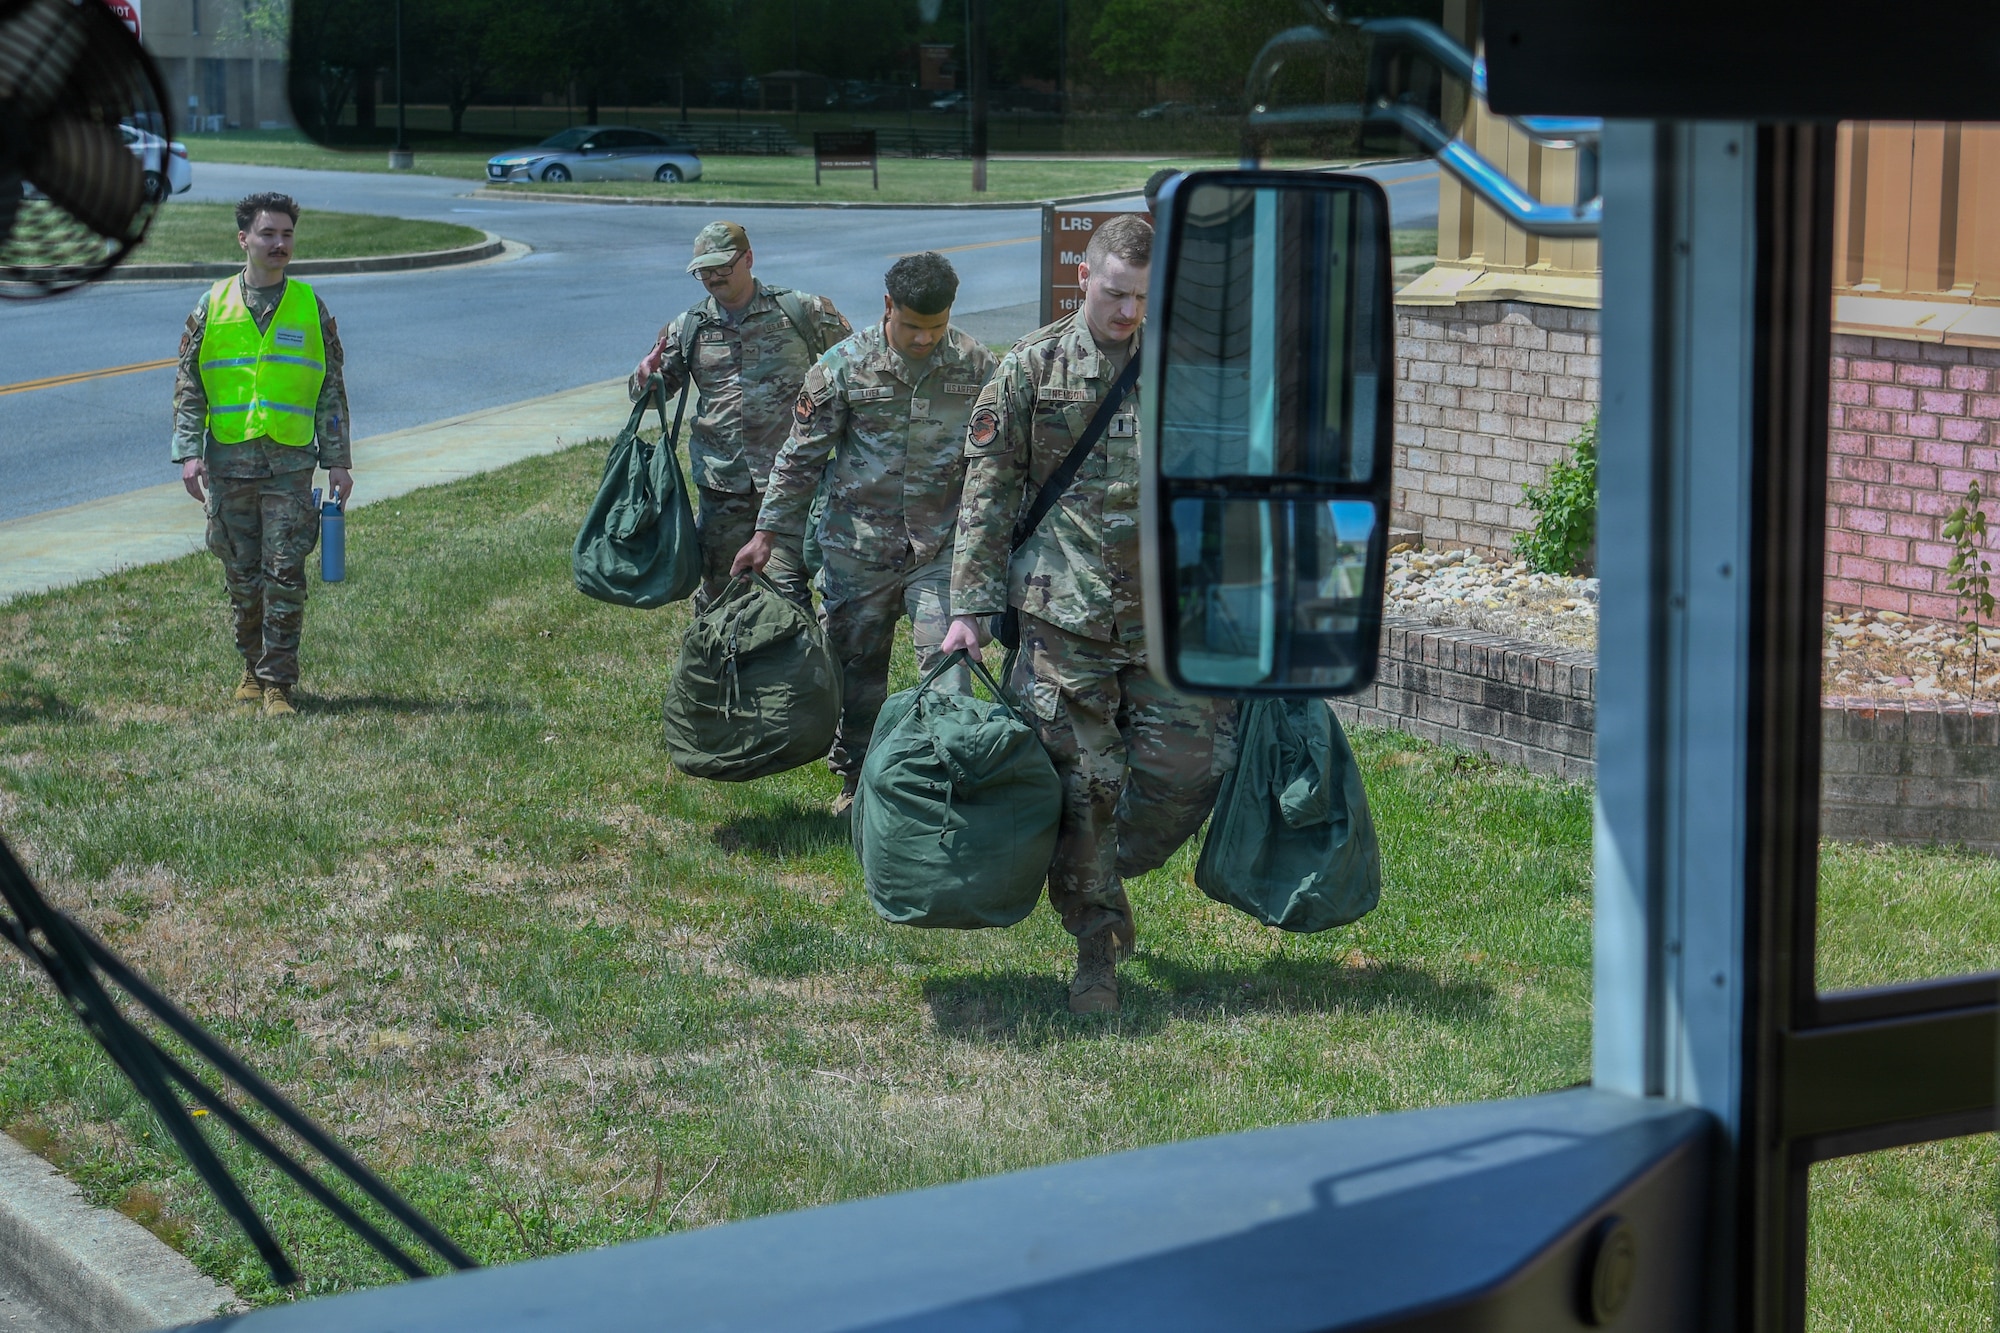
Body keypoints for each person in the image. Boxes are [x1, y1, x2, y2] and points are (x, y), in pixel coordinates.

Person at [939, 214, 1235, 1015]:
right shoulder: (1030, 369)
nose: (1129, 311)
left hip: (1165, 617)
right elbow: (988, 496)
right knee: (1086, 786)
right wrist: (969, 609)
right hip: (1062, 614)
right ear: (1084, 279)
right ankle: (1095, 945)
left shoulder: (1185, 369)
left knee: (1193, 765)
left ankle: (1098, 870)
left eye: (1143, 296)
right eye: (1115, 293)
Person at [734, 253, 999, 816]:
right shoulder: (842, 367)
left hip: (938, 548)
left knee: (949, 662)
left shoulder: (977, 365)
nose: (925, 339)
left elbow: (996, 460)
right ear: (887, 308)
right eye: (912, 327)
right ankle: (857, 781)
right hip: (857, 548)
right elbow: (799, 458)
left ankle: (949, 786)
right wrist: (768, 533)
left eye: (937, 326)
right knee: (857, 671)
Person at [172, 191, 351, 717]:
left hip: (291, 466)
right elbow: (189, 385)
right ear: (244, 239)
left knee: (286, 574)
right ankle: (250, 666)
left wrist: (338, 458)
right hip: (229, 465)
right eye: (268, 234)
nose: (279, 244)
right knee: (241, 575)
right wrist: (188, 452)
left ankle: (278, 682)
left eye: (287, 235)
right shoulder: (213, 304)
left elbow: (331, 389)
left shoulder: (309, 306)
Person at [630, 220, 851, 610]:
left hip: (791, 480)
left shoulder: (802, 311)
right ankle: (715, 665)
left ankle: (793, 668)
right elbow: (652, 395)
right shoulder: (689, 327)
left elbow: (857, 365)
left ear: (748, 258)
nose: (714, 278)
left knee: (787, 593)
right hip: (721, 484)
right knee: (721, 591)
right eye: (704, 271)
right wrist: (645, 379)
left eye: (723, 268)